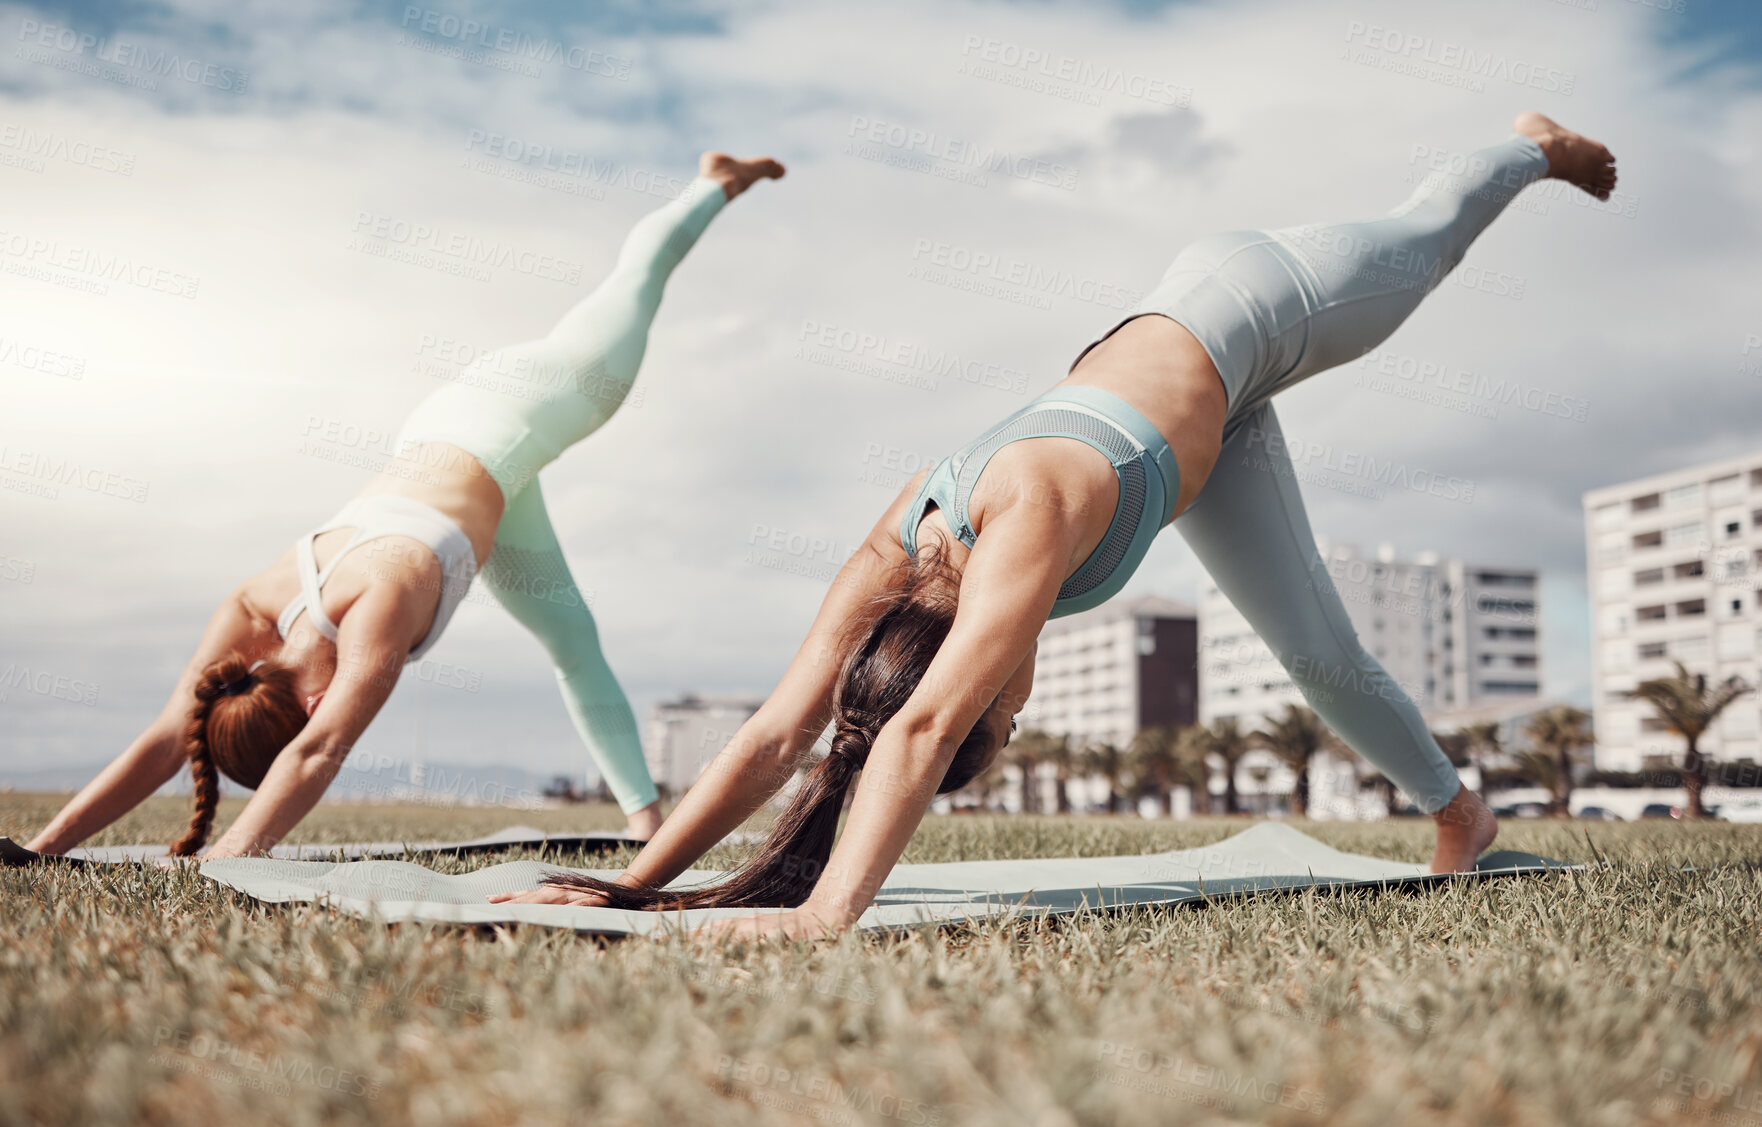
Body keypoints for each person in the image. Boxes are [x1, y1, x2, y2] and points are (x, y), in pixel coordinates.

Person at [493, 113, 1616, 940]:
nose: (1016, 713)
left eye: (1007, 719)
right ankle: (1459, 812)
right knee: (1319, 655)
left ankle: (1526, 145)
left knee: (1431, 235)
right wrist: (633, 886)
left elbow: (923, 730)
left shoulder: (1019, 528)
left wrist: (826, 913)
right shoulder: (897, 551)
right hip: (1219, 418)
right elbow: (776, 733)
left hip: (1262, 298)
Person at [24, 152, 786, 860]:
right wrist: (39, 850)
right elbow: (169, 735)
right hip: (459, 446)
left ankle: (712, 182)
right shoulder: (254, 616)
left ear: (315, 699)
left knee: (636, 280)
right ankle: (646, 819)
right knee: (572, 638)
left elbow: (319, 750)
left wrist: (230, 858)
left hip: (537, 402)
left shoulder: (378, 603)